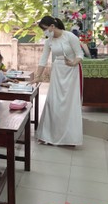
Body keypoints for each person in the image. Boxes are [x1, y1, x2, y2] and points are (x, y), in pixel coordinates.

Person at [32, 16, 84, 146]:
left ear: (52, 26)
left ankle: (70, 138)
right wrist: (38, 76)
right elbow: (43, 59)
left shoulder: (69, 36)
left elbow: (80, 55)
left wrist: (73, 63)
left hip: (71, 71)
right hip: (58, 71)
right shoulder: (48, 40)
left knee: (69, 103)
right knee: (53, 102)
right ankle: (49, 135)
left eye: (45, 29)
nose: (44, 32)